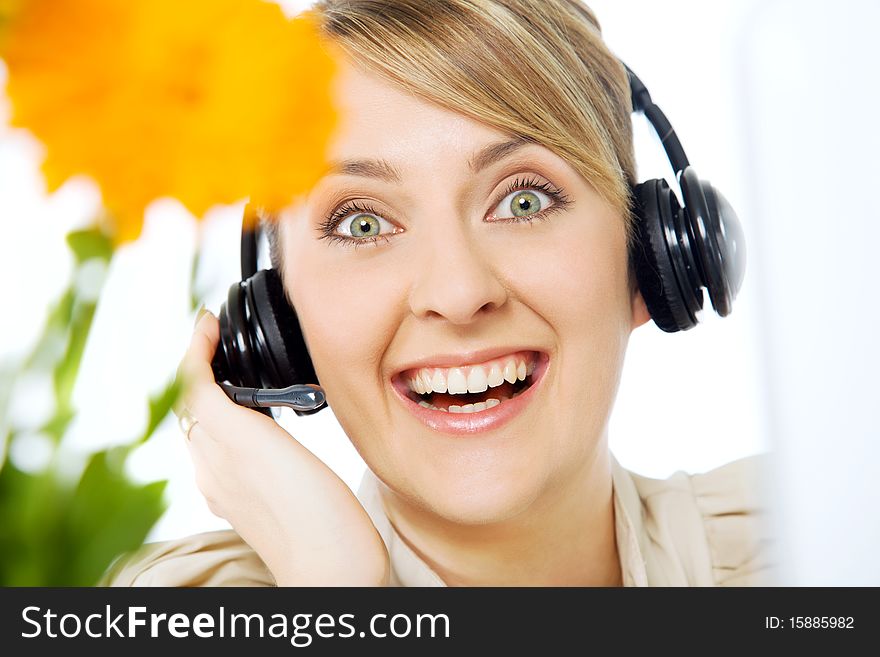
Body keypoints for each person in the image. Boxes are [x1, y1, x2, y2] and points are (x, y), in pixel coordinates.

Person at [102, 0, 775, 587]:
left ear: (654, 258)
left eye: (523, 200)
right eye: (362, 223)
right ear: (281, 325)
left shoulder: (822, 539)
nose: (458, 293)